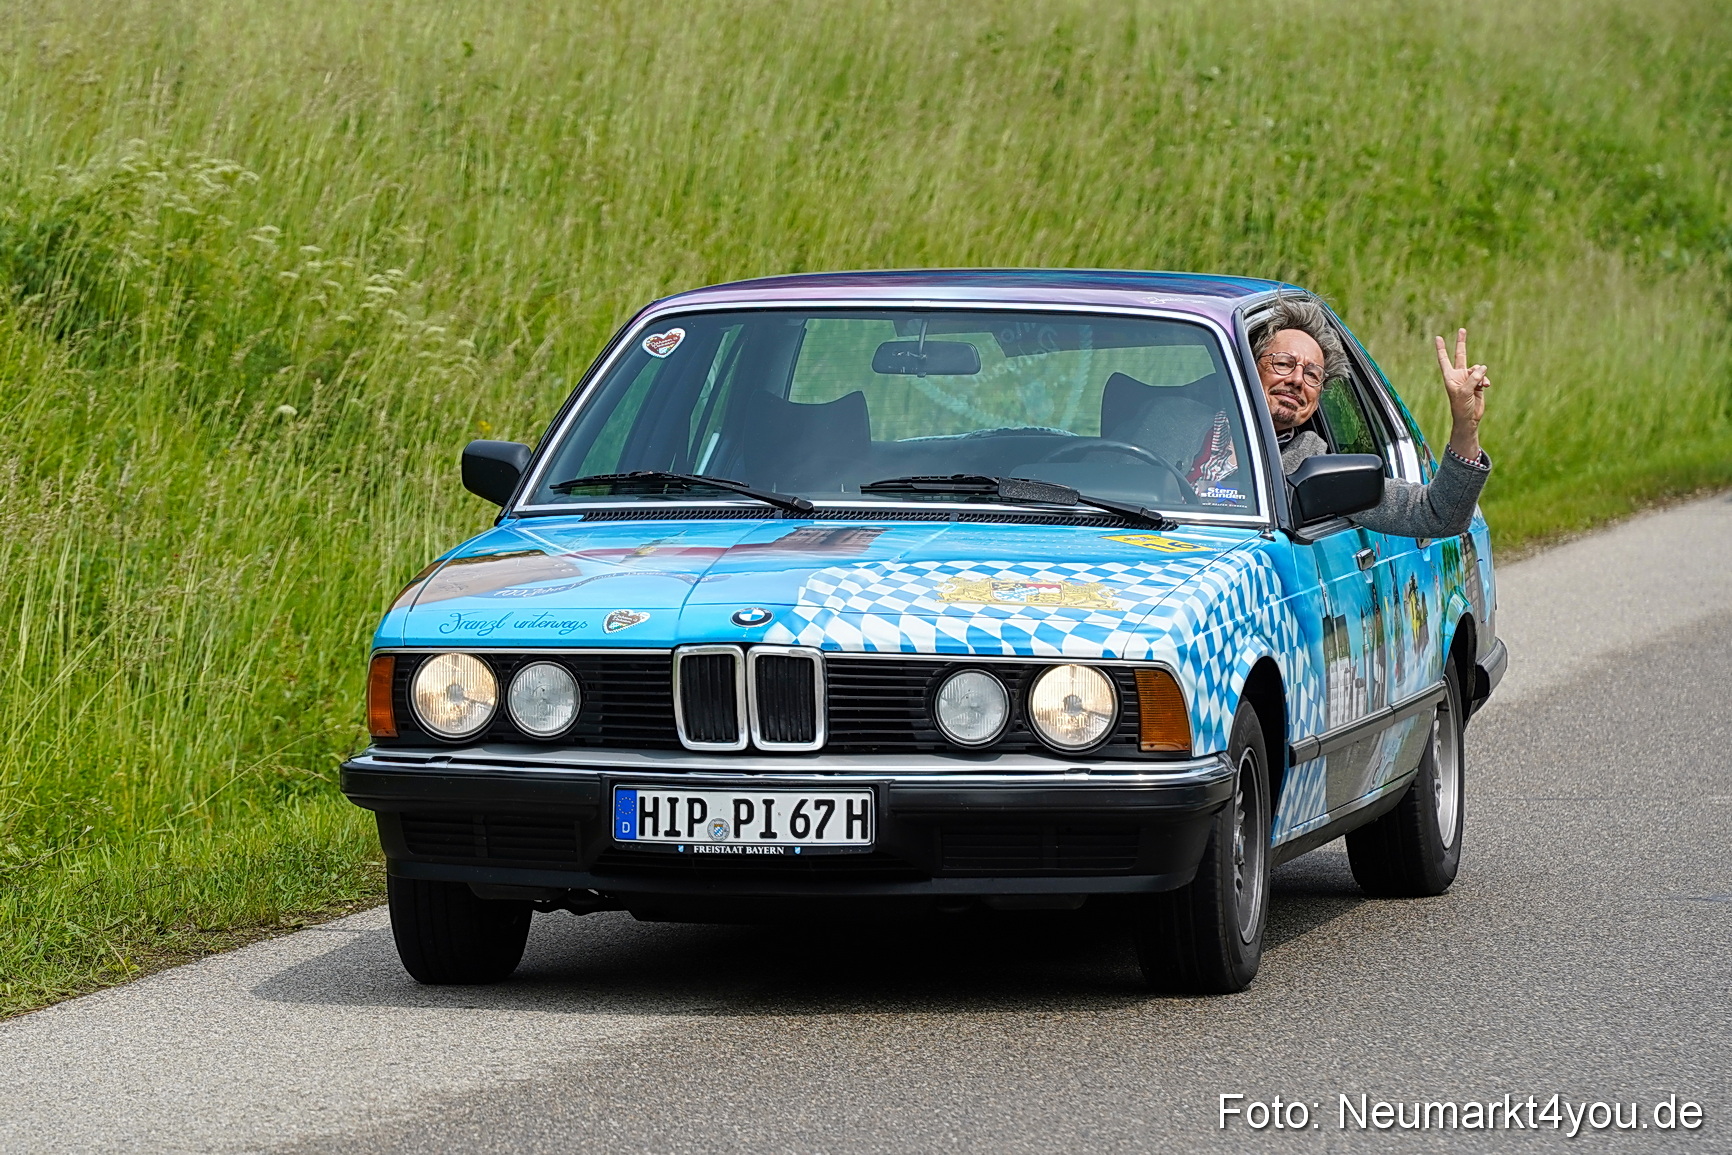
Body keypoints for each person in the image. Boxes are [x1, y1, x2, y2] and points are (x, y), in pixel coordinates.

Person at [1251, 296, 1491, 537]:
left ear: (1318, 399)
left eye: (1312, 375)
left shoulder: (1311, 466)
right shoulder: (1211, 426)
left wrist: (1465, 423)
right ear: (1251, 367)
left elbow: (1437, 515)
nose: (1296, 380)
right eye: (1282, 363)